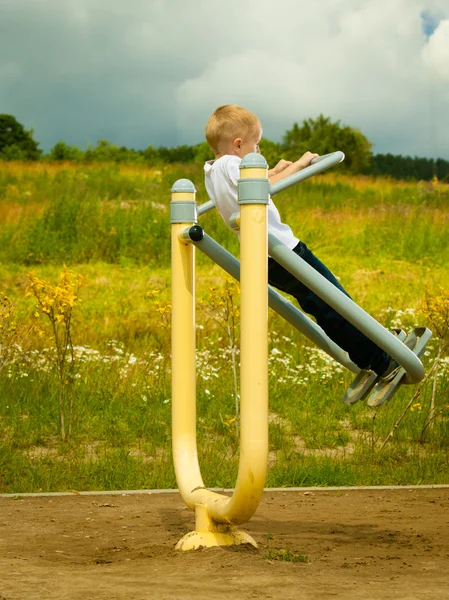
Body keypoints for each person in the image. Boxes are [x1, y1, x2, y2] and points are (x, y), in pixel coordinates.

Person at [203, 104, 399, 380]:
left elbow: (251, 183)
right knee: (334, 301)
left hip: (263, 258)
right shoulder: (233, 164)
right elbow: (261, 188)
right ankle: (382, 360)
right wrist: (299, 165)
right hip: (283, 251)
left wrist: (275, 170)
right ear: (238, 145)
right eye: (256, 145)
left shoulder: (213, 170)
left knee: (323, 304)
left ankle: (373, 346)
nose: (259, 152)